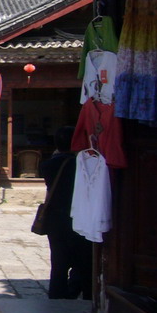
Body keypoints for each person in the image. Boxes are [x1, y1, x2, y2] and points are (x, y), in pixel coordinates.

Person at [40, 126, 92, 300]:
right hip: (79, 216)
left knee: (58, 262)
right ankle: (83, 293)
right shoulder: (81, 164)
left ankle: (57, 296)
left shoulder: (48, 165)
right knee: (84, 260)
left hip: (55, 218)